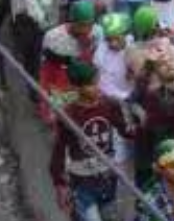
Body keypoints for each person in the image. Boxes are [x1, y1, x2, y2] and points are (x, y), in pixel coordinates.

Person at [50, 60, 132, 221]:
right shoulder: (68, 115)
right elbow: (58, 149)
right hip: (82, 181)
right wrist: (59, 183)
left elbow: (125, 131)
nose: (97, 88)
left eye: (96, 82)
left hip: (108, 176)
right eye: (91, 85)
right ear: (76, 87)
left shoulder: (109, 105)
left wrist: (140, 125)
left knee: (110, 216)